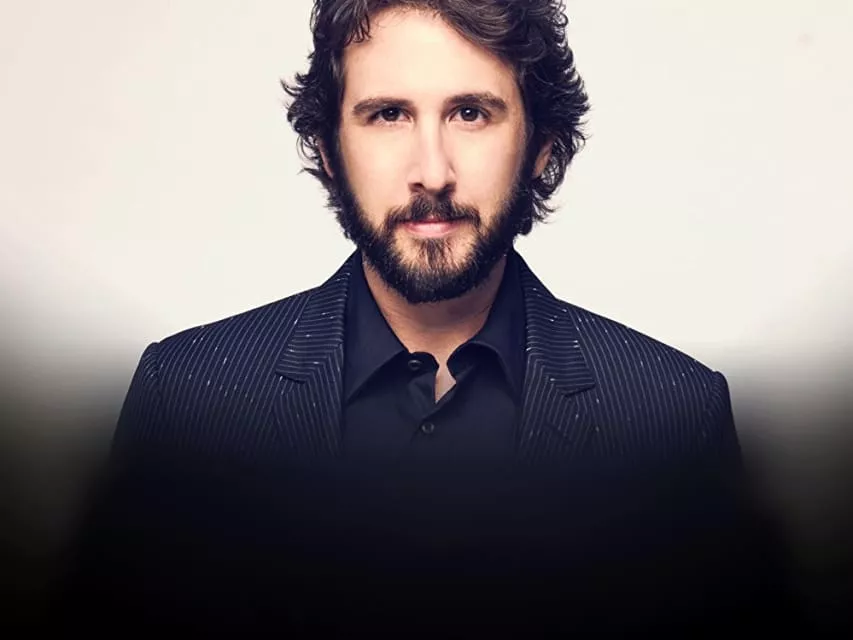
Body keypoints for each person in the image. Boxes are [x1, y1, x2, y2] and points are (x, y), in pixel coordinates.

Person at [56, 0, 798, 634]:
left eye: (470, 113)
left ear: (540, 149)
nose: (432, 172)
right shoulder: (187, 396)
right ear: (328, 149)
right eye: (388, 115)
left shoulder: (672, 413)